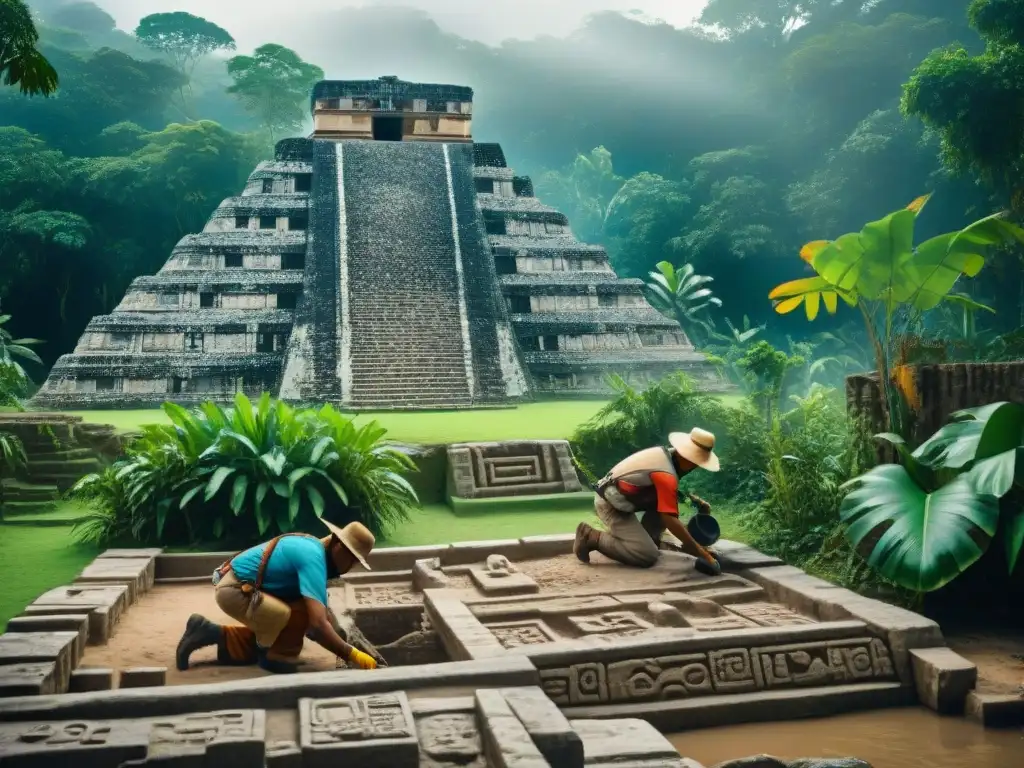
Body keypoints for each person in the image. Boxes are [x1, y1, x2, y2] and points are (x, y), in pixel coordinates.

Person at [175, 519, 380, 674]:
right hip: (236, 590)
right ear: (339, 546)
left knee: (295, 618)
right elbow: (317, 624)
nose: (351, 567)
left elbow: (323, 617)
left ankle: (208, 632)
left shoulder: (315, 551)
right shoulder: (313, 558)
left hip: (247, 588)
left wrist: (344, 641)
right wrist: (350, 653)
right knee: (291, 616)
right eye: (352, 560)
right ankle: (275, 657)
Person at [574, 427, 723, 575]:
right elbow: (670, 518)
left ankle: (648, 539)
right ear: (688, 457)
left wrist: (694, 504)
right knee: (647, 555)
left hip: (621, 497)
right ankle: (591, 537)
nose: (695, 467)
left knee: (662, 521)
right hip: (610, 504)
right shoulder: (666, 474)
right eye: (696, 462)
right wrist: (702, 554)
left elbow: (666, 495)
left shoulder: (666, 456)